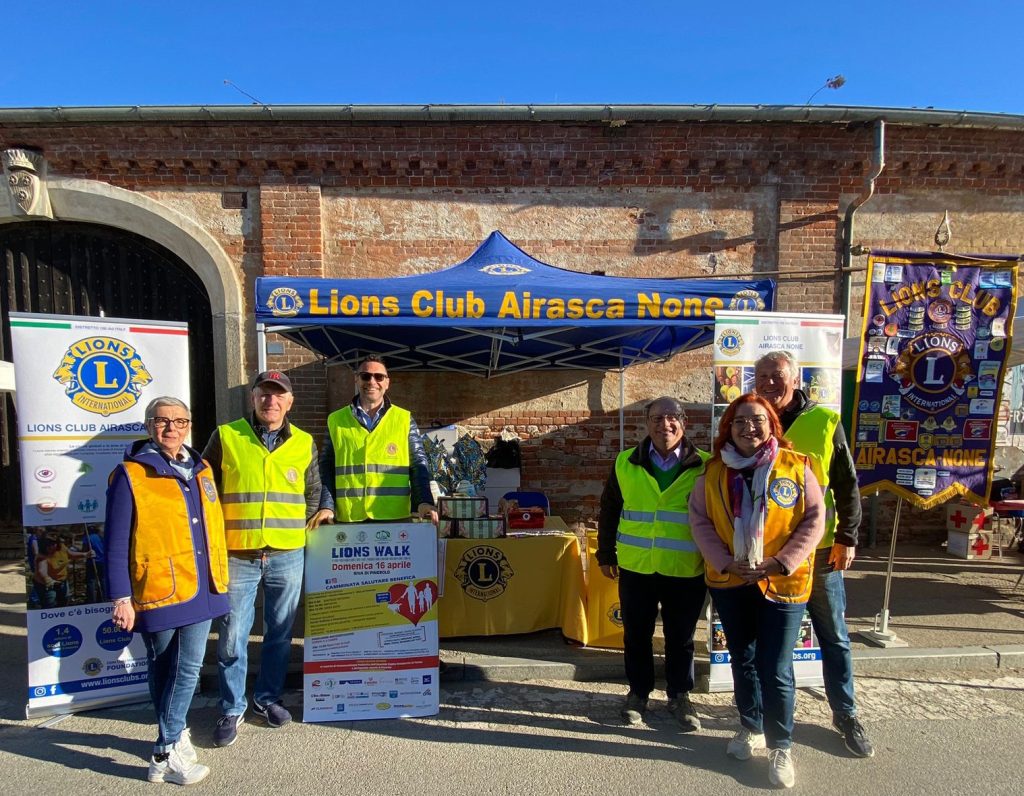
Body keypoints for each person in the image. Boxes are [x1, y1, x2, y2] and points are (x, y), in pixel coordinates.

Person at [690, 393, 825, 789]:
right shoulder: (713, 472)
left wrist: (780, 561)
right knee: (742, 659)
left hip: (782, 580)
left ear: (772, 426)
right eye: (740, 421)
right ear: (728, 428)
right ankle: (750, 725)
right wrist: (725, 561)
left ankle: (781, 744)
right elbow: (699, 521)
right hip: (732, 580)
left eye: (758, 421)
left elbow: (814, 520)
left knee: (777, 667)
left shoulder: (797, 466)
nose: (749, 428)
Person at [754, 350, 874, 758]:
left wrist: (848, 537)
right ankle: (766, 718)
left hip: (819, 552)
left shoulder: (824, 421)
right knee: (773, 643)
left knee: (834, 637)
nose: (769, 382)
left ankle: (846, 714)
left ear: (795, 377)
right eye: (762, 375)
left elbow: (847, 483)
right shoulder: (754, 420)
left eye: (777, 375)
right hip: (769, 555)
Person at [105, 396, 229, 786]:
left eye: (179, 421)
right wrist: (121, 597)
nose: (171, 428)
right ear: (148, 426)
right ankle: (168, 747)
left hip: (203, 586)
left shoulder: (202, 468)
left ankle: (169, 742)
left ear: (189, 425)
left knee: (187, 667)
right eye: (162, 420)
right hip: (158, 588)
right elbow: (115, 541)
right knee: (164, 667)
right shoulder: (130, 474)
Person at [203, 370, 322, 748]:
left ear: (289, 402)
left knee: (279, 634)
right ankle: (231, 706)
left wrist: (307, 523)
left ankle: (267, 698)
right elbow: (205, 489)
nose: (270, 401)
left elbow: (314, 491)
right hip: (238, 552)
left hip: (287, 552)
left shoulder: (304, 442)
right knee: (232, 637)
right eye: (264, 394)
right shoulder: (226, 435)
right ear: (252, 398)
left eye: (278, 395)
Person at [596, 397, 710, 731]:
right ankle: (638, 693)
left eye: (672, 418)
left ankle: (679, 695)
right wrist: (606, 554)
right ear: (646, 424)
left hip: (685, 567)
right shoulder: (625, 462)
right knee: (636, 634)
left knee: (682, 637)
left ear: (684, 422)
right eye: (657, 419)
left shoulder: (705, 464)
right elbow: (609, 510)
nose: (665, 425)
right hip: (636, 566)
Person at [309, 355, 435, 527]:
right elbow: (326, 467)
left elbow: (418, 464)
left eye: (379, 377)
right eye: (365, 376)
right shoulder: (336, 420)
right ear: (356, 380)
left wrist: (424, 501)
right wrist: (326, 506)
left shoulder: (404, 419)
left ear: (387, 383)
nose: (372, 381)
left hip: (394, 517)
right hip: (350, 517)